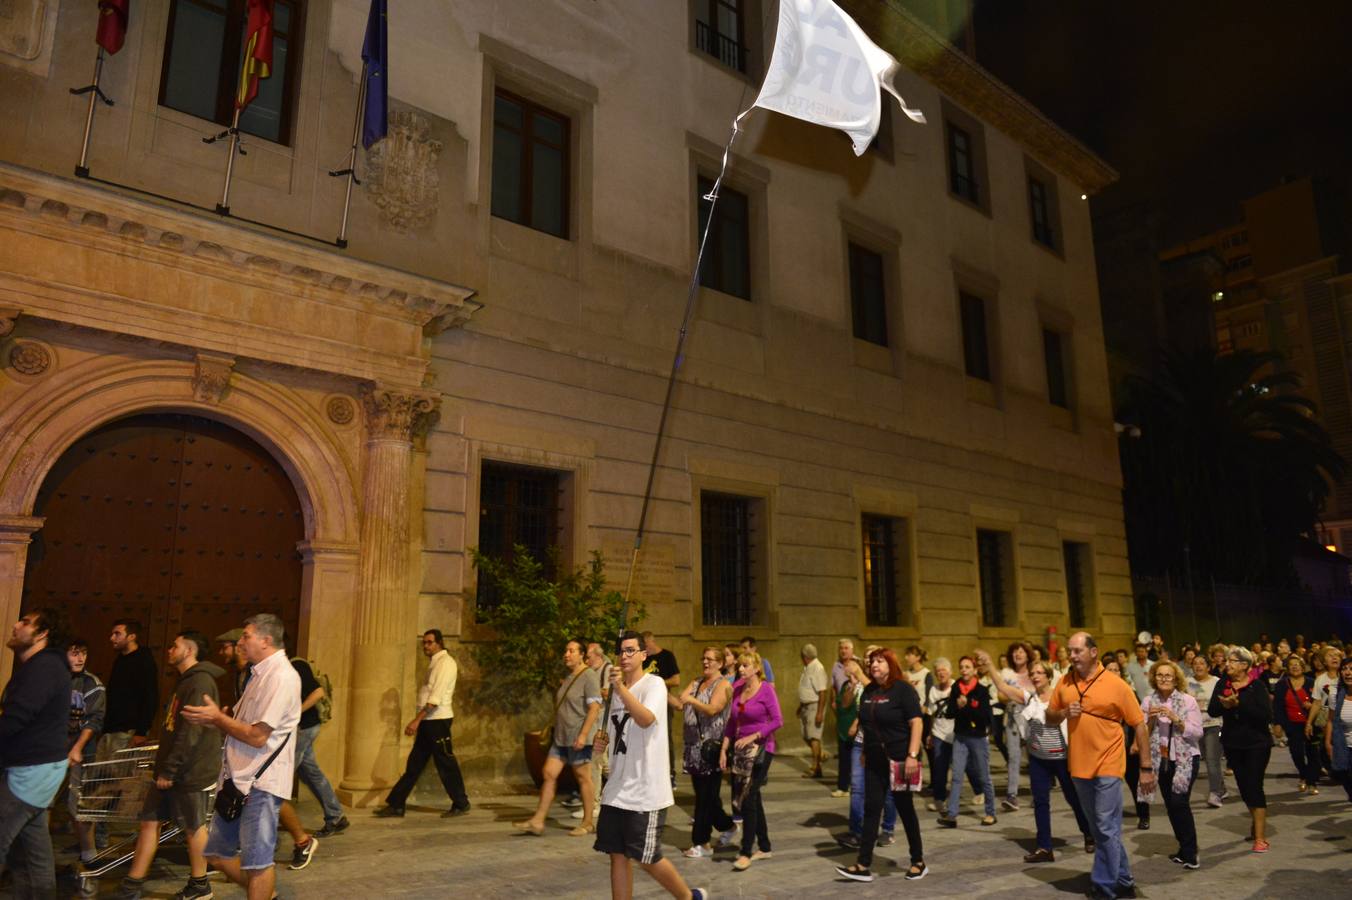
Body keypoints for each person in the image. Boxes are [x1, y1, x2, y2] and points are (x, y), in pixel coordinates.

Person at [182, 614, 300, 900]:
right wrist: (217, 720)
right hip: (238, 780)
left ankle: (262, 890)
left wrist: (219, 721)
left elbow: (258, 736)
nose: (240, 642)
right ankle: (265, 893)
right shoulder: (259, 674)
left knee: (257, 863)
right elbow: (243, 724)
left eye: (246, 636)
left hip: (261, 784)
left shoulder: (282, 677)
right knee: (216, 854)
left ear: (266, 640)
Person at [591, 631, 708, 900]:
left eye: (631, 650)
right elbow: (612, 735)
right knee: (617, 855)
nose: (625, 655)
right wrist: (601, 742)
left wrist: (620, 689)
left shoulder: (653, 684)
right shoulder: (614, 695)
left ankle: (688, 897)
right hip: (616, 790)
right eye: (621, 651)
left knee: (646, 857)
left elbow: (645, 719)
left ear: (644, 654)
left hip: (645, 791)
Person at [114, 630, 225, 900]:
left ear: (189, 651)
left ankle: (200, 885)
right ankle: (132, 885)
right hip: (170, 769)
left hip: (190, 771)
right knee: (149, 821)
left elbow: (191, 732)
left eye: (174, 646)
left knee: (193, 826)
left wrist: (170, 770)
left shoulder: (199, 682)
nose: (169, 650)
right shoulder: (185, 682)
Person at [1047, 632, 1153, 900]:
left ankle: (1105, 886)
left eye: (1077, 651)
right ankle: (1125, 878)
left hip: (1109, 762)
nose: (1071, 656)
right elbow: (1049, 718)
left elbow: (1138, 723)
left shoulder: (1115, 684)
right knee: (1100, 829)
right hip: (1079, 766)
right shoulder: (1065, 681)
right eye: (1069, 651)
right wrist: (1062, 713)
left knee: (1105, 825)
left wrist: (1146, 767)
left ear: (1093, 652)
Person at [833, 648, 926, 884]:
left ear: (891, 664)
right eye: (872, 661)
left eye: (880, 661)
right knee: (872, 808)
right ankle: (863, 864)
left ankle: (918, 861)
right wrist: (865, 750)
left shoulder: (902, 689)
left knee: (905, 808)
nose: (874, 664)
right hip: (874, 759)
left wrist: (913, 755)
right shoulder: (869, 691)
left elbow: (916, 722)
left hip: (901, 759)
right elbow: (867, 723)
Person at [0, 608, 71, 898]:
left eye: (25, 623)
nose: (16, 625)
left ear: (42, 634)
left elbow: (16, 718)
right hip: (36, 769)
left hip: (30, 771)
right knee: (31, 853)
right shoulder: (43, 667)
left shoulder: (44, 668)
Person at [374, 630, 471, 818]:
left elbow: (436, 697)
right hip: (429, 720)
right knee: (415, 763)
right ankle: (397, 804)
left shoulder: (446, 664)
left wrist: (416, 720)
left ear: (439, 643)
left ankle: (461, 802)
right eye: (424, 643)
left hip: (438, 720)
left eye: (429, 642)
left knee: (445, 762)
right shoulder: (436, 663)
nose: (425, 646)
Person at [1005, 658, 1093, 862]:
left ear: (1048, 676)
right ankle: (1045, 847)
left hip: (1062, 757)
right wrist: (990, 667)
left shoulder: (1060, 696)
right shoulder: (1030, 699)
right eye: (1032, 673)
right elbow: (1003, 688)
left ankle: (1089, 834)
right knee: (1041, 802)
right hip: (1039, 759)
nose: (1035, 676)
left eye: (1039, 673)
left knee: (1074, 798)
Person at [515, 639, 602, 836]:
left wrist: (583, 734)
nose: (567, 654)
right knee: (548, 774)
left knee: (583, 778)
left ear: (582, 655)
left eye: (571, 651)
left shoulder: (589, 676)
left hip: (578, 736)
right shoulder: (569, 677)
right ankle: (538, 821)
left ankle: (588, 822)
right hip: (561, 737)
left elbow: (595, 708)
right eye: (566, 650)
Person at [721, 649, 782, 872]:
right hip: (740, 751)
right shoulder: (737, 688)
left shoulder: (766, 690)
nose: (740, 669)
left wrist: (754, 736)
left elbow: (778, 720)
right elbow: (731, 721)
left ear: (757, 668)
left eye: (745, 665)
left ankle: (746, 851)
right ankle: (764, 846)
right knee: (753, 798)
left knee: (747, 798)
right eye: (739, 665)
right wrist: (724, 747)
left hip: (762, 750)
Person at [1210, 646, 1273, 853]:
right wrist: (1226, 705)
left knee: (1254, 785)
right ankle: (1256, 820)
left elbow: (1265, 715)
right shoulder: (1223, 683)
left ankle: (1261, 837)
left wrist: (1238, 704)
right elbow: (1212, 709)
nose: (1228, 664)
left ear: (1245, 665)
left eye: (1233, 660)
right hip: (1232, 742)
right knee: (1244, 787)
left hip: (1257, 743)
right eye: (1227, 660)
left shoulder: (1257, 686)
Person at [1140, 660, 1203, 869]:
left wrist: (1177, 719)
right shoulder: (1149, 701)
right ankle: (1184, 849)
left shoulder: (1187, 701)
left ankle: (1192, 851)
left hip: (1186, 759)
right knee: (1171, 806)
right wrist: (1150, 719)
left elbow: (1197, 733)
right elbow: (1144, 734)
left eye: (1168, 675)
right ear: (1154, 678)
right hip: (1162, 760)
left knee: (1179, 803)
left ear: (1176, 678)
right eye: (1160, 675)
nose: (1164, 679)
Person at [675, 645, 735, 857]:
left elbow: (713, 709)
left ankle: (701, 843)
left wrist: (691, 699)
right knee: (706, 796)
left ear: (720, 663)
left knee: (704, 798)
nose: (706, 662)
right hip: (693, 748)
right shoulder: (696, 682)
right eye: (704, 658)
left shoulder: (724, 685)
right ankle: (727, 825)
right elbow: (680, 704)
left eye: (710, 659)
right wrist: (659, 691)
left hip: (712, 749)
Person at [839, 659, 896, 850]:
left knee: (886, 789)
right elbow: (846, 704)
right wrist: (852, 684)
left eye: (876, 660)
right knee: (857, 787)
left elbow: (876, 699)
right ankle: (857, 831)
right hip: (861, 742)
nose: (871, 663)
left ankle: (887, 829)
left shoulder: (884, 685)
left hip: (882, 744)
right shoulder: (858, 682)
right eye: (869, 660)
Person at [291, 655, 349, 838]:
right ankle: (335, 816)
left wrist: (294, 713)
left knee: (280, 776)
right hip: (303, 728)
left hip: (304, 727)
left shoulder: (296, 665)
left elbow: (318, 693)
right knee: (311, 773)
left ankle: (269, 825)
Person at [937, 655, 996, 828]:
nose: (964, 670)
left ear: (974, 670)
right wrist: (959, 706)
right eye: (961, 667)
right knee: (956, 776)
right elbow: (949, 713)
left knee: (984, 776)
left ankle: (990, 813)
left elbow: (984, 717)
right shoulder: (956, 688)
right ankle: (952, 815)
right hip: (960, 737)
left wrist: (968, 705)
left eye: (968, 667)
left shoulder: (981, 690)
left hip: (977, 737)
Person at [65, 637, 106, 866]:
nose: (80, 658)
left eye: (83, 653)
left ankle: (89, 854)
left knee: (80, 804)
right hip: (51, 750)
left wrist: (77, 748)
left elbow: (94, 721)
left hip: (81, 752)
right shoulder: (55, 680)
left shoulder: (92, 684)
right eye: (74, 652)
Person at [101, 619, 159, 752]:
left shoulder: (143, 661)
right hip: (112, 728)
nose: (112, 638)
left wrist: (141, 731)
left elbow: (150, 696)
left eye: (117, 634)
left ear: (132, 636)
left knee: (120, 771)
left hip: (128, 730)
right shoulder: (120, 659)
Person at [1271, 654, 1319, 794]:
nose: (1295, 666)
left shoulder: (1311, 682)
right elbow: (1278, 706)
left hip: (1311, 722)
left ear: (1303, 667)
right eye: (1291, 664)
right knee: (1296, 752)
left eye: (1297, 664)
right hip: (1292, 724)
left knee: (1313, 753)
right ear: (1287, 668)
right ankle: (1303, 775)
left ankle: (1312, 782)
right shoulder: (1282, 684)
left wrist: (1312, 706)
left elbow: (1319, 701)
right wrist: (1277, 724)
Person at [997, 641, 1034, 811]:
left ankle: (1038, 792)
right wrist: (1015, 696)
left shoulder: (1034, 672)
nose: (1018, 654)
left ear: (1027, 654)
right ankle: (1012, 795)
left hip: (1032, 719)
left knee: (1034, 758)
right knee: (1013, 757)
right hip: (1012, 719)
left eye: (1021, 652)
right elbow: (1000, 696)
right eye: (1014, 652)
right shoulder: (1006, 673)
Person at [1185, 652, 1226, 807]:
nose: (1198, 666)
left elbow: (1222, 703)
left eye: (1202, 663)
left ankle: (1215, 793)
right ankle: (1222, 788)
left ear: (1208, 667)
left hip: (1213, 725)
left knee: (1211, 760)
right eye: (1195, 663)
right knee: (1202, 760)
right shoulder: (1186, 682)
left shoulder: (1217, 682)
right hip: (1194, 727)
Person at [643, 631, 681, 787]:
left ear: (652, 641)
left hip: (663, 703)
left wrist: (657, 682)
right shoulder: (643, 658)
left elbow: (676, 680)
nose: (645, 649)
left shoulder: (667, 656)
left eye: (645, 645)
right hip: (645, 704)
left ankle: (670, 773)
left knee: (665, 737)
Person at [1322, 656, 1352, 801]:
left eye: (1351, 669)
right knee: (1342, 774)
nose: (1348, 672)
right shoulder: (1336, 694)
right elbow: (1331, 720)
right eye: (1344, 669)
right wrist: (1328, 742)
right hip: (1344, 744)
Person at [797, 643, 830, 779]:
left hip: (814, 706)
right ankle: (821, 755)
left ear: (804, 656)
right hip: (806, 706)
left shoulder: (817, 667)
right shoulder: (808, 667)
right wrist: (800, 707)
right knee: (806, 735)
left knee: (813, 736)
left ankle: (816, 767)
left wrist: (820, 712)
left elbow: (822, 691)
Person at [833, 657, 862, 798]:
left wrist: (855, 724)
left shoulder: (864, 684)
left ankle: (855, 787)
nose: (846, 668)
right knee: (843, 758)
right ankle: (843, 786)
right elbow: (843, 703)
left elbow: (861, 708)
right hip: (843, 726)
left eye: (849, 666)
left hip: (855, 727)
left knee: (856, 761)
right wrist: (851, 686)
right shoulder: (846, 684)